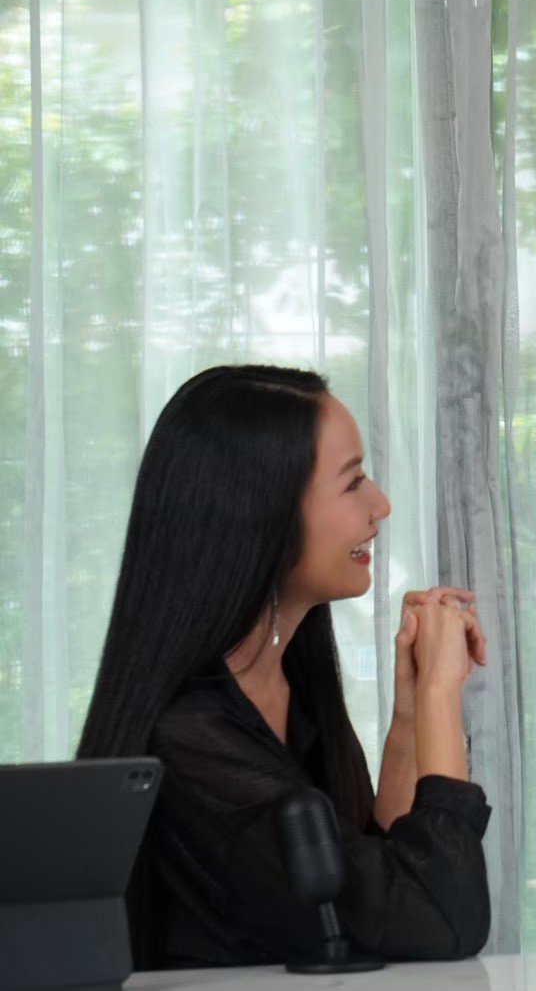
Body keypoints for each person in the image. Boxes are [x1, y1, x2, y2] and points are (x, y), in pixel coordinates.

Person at [77, 365, 493, 967]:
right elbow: (438, 920)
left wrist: (408, 718)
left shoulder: (291, 683)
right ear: (262, 513)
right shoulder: (191, 740)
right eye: (353, 483)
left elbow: (373, 889)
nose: (380, 505)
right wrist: (440, 697)